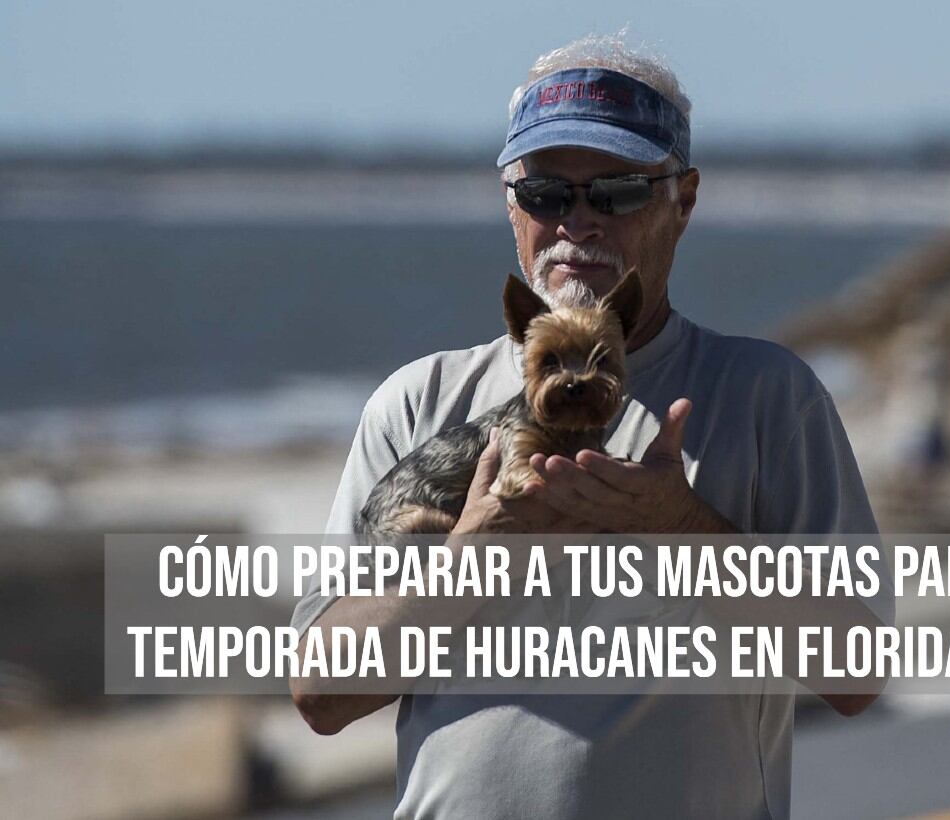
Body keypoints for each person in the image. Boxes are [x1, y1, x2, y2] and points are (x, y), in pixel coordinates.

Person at [290, 34, 894, 820]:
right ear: (511, 206)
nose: (577, 222)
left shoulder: (766, 399)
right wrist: (471, 554)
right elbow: (321, 692)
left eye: (616, 191)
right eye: (545, 193)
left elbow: (857, 672)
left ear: (684, 199)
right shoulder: (416, 404)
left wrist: (682, 528)